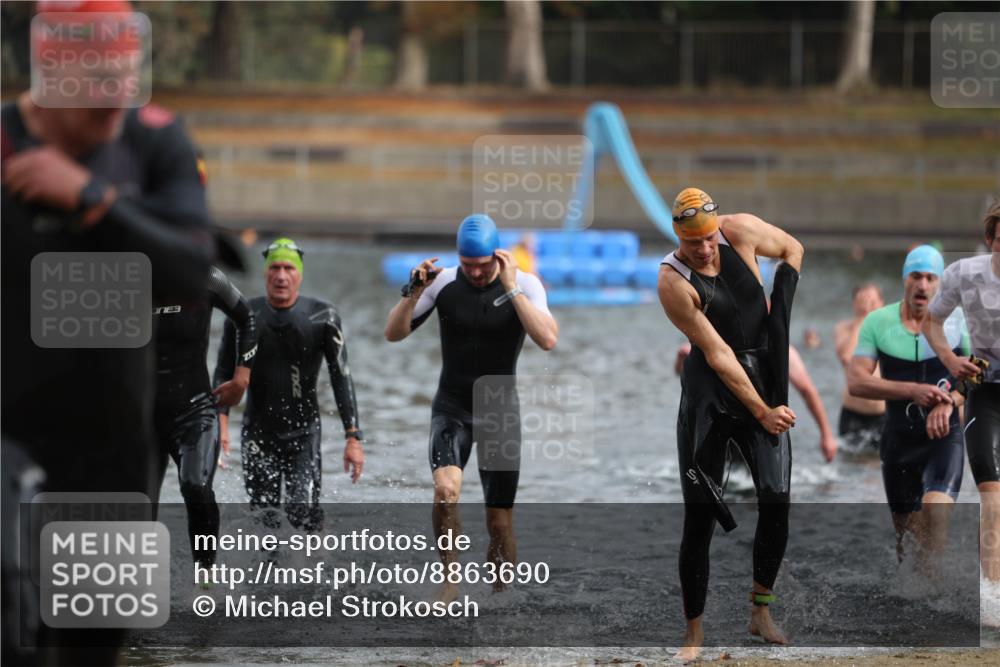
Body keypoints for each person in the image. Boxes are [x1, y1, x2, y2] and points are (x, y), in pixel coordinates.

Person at [1, 2, 214, 664]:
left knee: (92, 649)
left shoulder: (154, 142)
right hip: (7, 438)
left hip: (112, 449)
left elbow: (189, 269)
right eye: (96, 98)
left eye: (124, 87)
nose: (112, 113)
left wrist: (92, 197)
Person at [658, 187, 803, 660]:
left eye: (709, 239)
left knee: (776, 499)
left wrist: (780, 310)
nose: (704, 250)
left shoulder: (740, 231)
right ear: (678, 236)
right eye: (693, 242)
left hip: (762, 374)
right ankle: (694, 633)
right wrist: (761, 409)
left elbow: (793, 249)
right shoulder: (672, 280)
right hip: (708, 392)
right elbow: (718, 354)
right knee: (700, 513)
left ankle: (760, 610)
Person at [384, 214, 558, 602]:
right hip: (453, 406)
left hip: (500, 412)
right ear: (459, 259)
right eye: (469, 266)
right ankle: (449, 584)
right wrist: (412, 291)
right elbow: (393, 334)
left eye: (484, 266)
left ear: (498, 256)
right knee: (446, 490)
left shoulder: (526, 283)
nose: (477, 274)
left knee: (499, 523)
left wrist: (511, 289)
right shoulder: (443, 282)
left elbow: (547, 339)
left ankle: (500, 596)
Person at [214, 238, 364, 532]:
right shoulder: (245, 316)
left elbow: (341, 376)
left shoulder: (323, 317)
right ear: (265, 273)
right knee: (264, 520)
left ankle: (316, 565)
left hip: (304, 433)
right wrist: (220, 426)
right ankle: (267, 575)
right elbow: (223, 371)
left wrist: (353, 437)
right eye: (275, 268)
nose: (281, 276)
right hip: (258, 434)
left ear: (300, 274)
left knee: (301, 513)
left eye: (288, 268)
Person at [847, 245, 970, 565]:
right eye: (916, 276)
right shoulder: (878, 322)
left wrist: (952, 401)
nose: (923, 285)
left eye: (931, 278)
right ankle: (918, 596)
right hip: (899, 441)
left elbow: (978, 375)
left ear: (940, 283)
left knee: (937, 513)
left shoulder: (959, 321)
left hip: (944, 438)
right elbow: (856, 381)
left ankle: (940, 596)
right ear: (905, 279)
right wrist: (911, 390)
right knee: (907, 546)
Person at [153, 266, 258, 569]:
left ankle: (205, 577)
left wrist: (241, 378)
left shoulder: (206, 277)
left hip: (193, 410)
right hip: (137, 415)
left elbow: (247, 319)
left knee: (195, 486)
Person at [922, 200, 1000, 582]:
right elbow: (931, 323)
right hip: (985, 389)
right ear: (990, 240)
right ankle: (995, 597)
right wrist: (951, 362)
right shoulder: (964, 274)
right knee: (992, 494)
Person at [675, 341, 837, 462]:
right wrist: (682, 360)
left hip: (765, 430)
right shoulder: (713, 343)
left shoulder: (782, 350)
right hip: (722, 427)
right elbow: (680, 373)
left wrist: (827, 435)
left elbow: (807, 391)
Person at [834, 283, 887, 453]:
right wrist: (861, 319)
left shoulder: (890, 330)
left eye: (872, 301)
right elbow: (846, 357)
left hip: (882, 415)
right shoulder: (844, 328)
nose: (868, 306)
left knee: (879, 467)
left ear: (882, 304)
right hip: (852, 413)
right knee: (850, 465)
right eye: (863, 301)